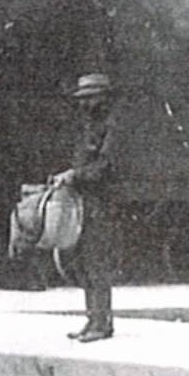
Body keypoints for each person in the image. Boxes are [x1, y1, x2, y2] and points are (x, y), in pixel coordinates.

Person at [51, 73, 119, 342]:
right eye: (83, 99)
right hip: (86, 200)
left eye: (91, 98)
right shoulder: (90, 126)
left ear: (103, 98)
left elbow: (107, 165)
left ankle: (101, 323)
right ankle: (94, 319)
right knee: (84, 263)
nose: (86, 104)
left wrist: (75, 175)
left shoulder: (112, 127)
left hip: (102, 202)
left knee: (97, 263)